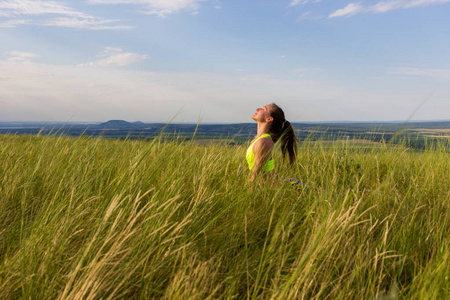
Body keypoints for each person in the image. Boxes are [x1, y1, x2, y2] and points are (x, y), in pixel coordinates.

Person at [247, 103, 299, 187]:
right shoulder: (257, 140)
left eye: (263, 109)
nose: (257, 109)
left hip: (273, 187)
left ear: (269, 119)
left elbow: (256, 173)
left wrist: (248, 193)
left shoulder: (263, 141)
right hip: (269, 186)